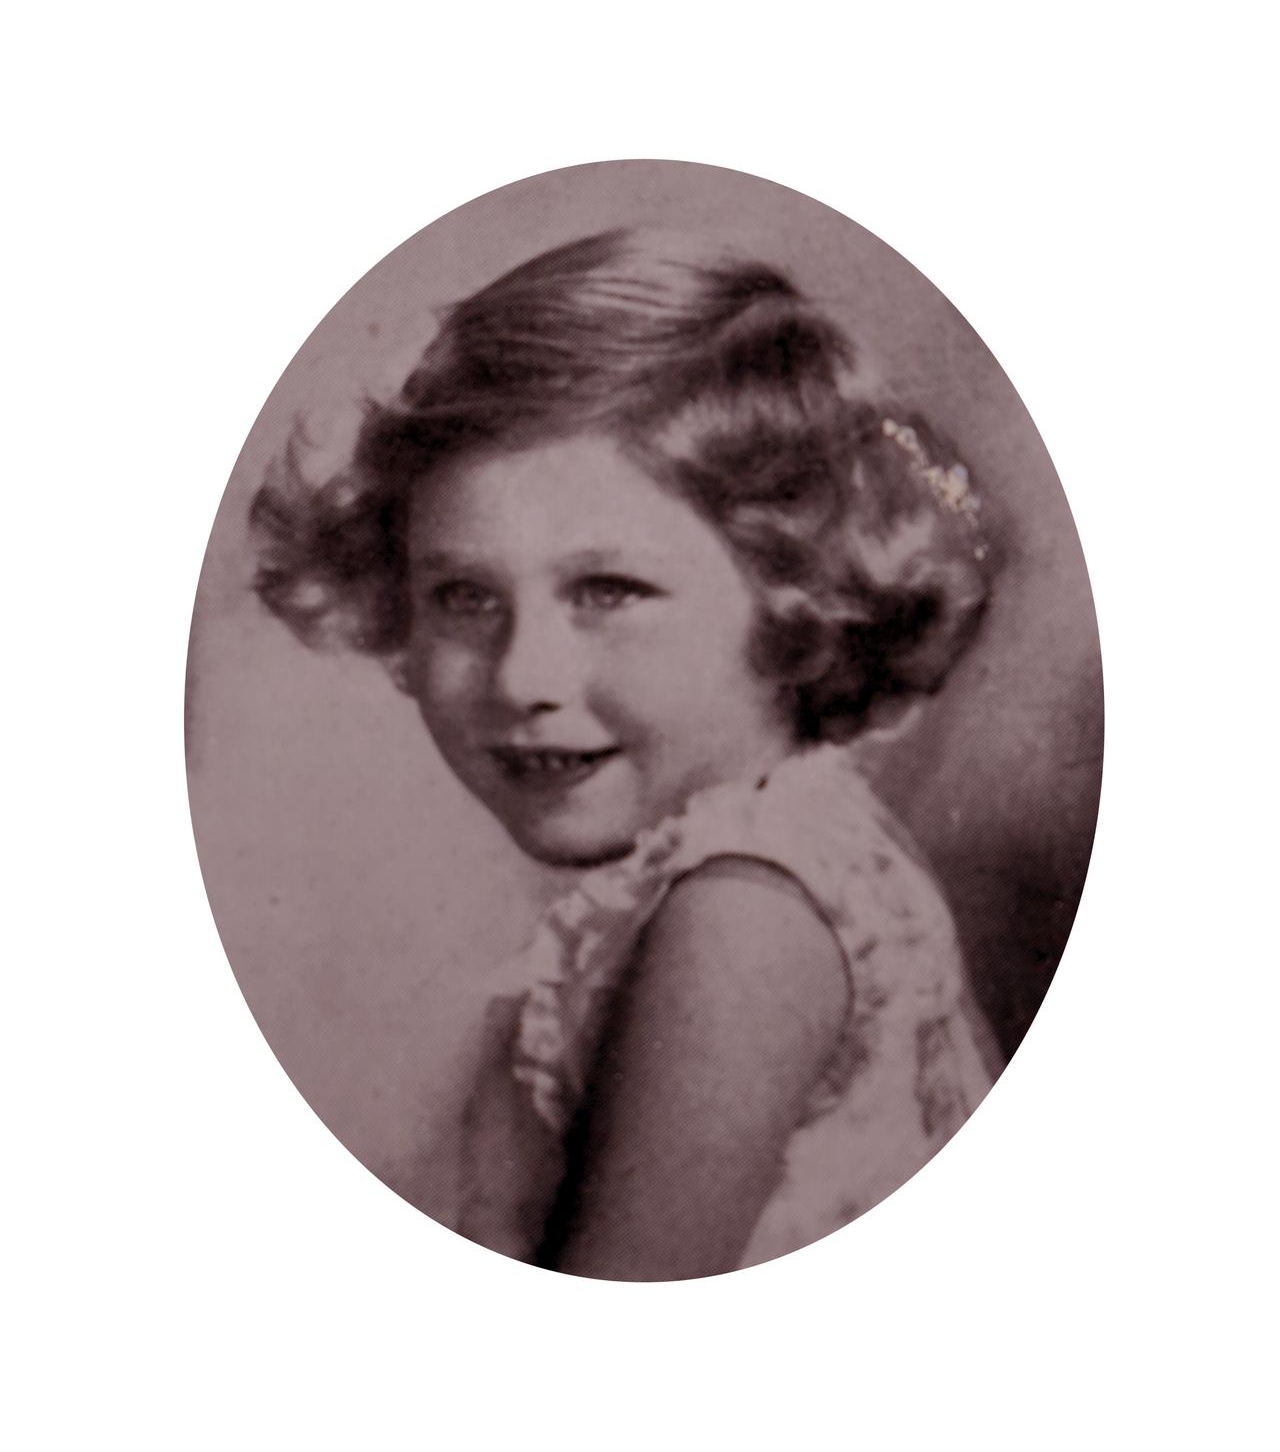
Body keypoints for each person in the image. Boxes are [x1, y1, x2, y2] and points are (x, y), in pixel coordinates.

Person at [250, 228, 1001, 1281]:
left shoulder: (746, 909)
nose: (523, 676)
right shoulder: (792, 844)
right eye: (463, 597)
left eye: (607, 592)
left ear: (794, 589)